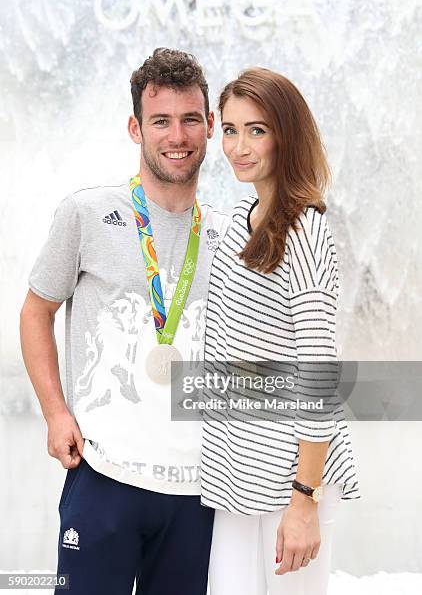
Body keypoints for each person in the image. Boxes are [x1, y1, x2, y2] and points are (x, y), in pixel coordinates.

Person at [20, 47, 228, 595]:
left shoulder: (231, 234)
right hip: (103, 475)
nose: (176, 135)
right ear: (136, 128)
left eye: (189, 120)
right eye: (160, 120)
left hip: (197, 490)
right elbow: (36, 311)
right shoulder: (86, 214)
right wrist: (54, 412)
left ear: (209, 126)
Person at [200, 68, 360, 595]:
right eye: (229, 129)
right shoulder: (246, 217)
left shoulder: (306, 231)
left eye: (256, 130)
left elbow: (318, 374)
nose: (238, 147)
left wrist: (304, 499)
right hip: (238, 475)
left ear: (286, 135)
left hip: (291, 480)